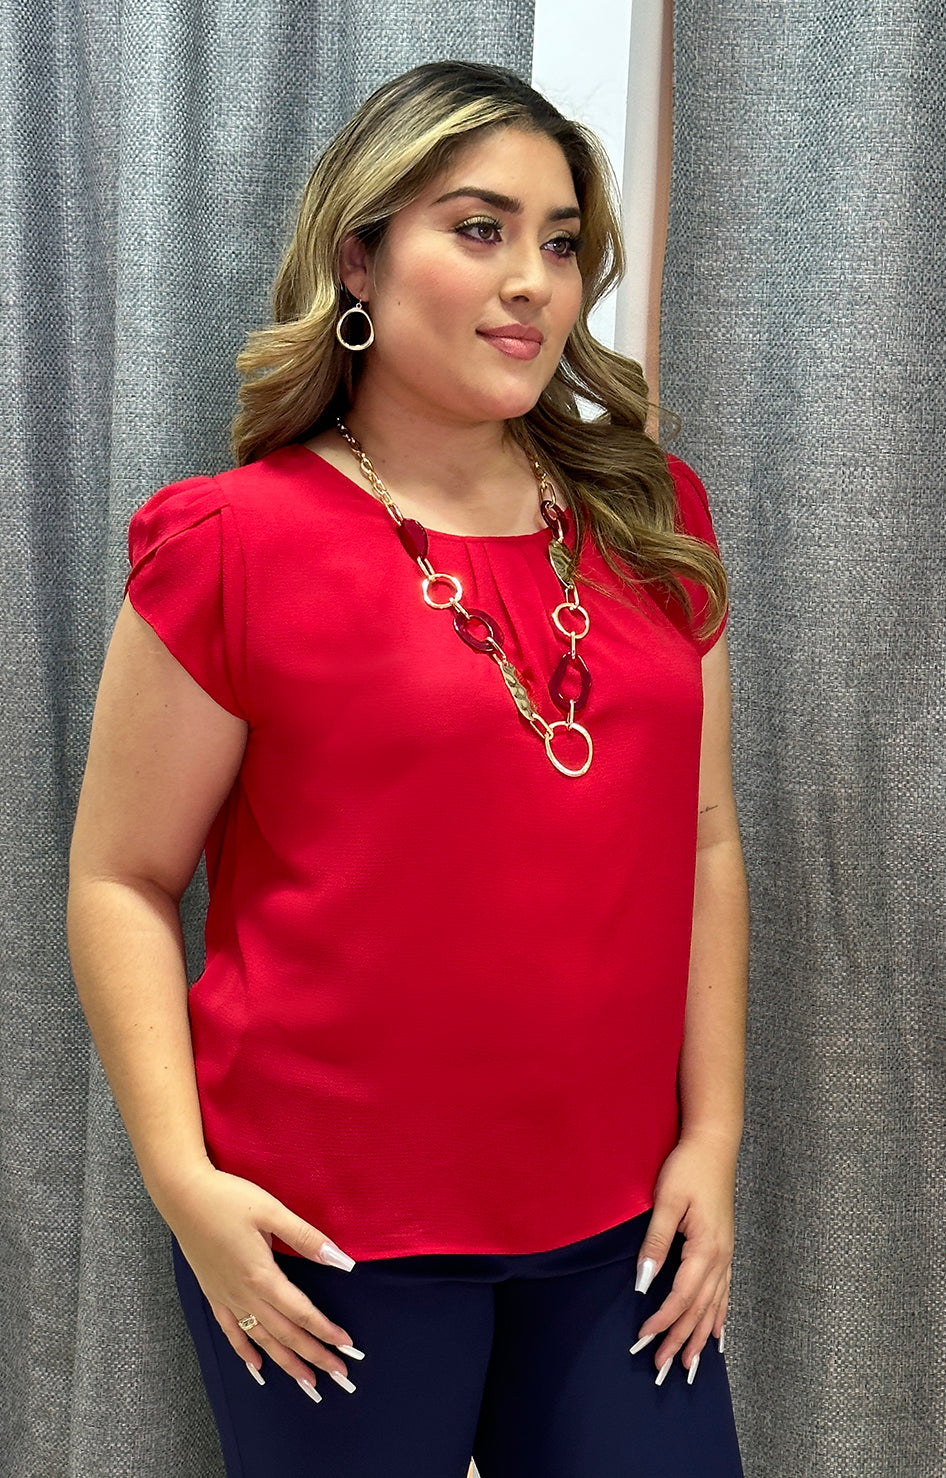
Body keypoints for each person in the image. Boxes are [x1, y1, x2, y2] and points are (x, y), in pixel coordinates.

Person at [66, 59, 748, 1478]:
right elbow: (122, 877)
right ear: (359, 257)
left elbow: (703, 841)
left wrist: (714, 1137)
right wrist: (183, 1182)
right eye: (479, 228)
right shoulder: (231, 544)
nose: (532, 281)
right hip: (325, 1233)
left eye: (560, 240)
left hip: (621, 1223)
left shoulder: (650, 517)